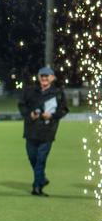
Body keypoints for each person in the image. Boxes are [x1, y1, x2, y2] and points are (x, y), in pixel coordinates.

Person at [18, 66, 68, 196]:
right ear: (38, 77)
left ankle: (36, 187)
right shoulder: (29, 91)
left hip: (47, 132)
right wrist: (29, 115)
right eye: (42, 76)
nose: (44, 78)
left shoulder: (58, 93)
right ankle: (41, 178)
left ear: (52, 78)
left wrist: (52, 116)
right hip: (31, 130)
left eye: (47, 76)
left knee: (41, 159)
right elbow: (21, 105)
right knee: (32, 158)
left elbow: (64, 110)